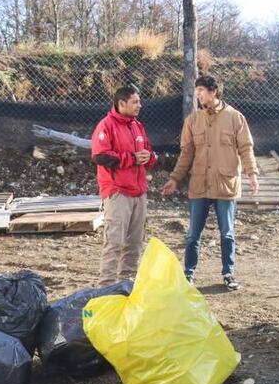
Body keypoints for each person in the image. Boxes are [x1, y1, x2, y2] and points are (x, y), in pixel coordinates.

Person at [162, 75, 259, 290]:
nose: (197, 94)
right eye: (196, 90)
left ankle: (228, 273)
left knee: (227, 233)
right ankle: (188, 274)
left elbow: (246, 148)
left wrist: (252, 174)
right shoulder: (193, 121)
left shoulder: (235, 118)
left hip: (226, 185)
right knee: (193, 234)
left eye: (201, 90)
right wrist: (174, 179)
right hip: (199, 185)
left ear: (213, 91)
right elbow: (186, 153)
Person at [90, 84, 157, 286]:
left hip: (139, 192)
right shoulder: (106, 125)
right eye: (135, 102)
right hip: (117, 192)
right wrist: (132, 158)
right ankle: (107, 286)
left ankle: (127, 283)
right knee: (114, 242)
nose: (139, 105)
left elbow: (148, 152)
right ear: (121, 103)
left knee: (135, 242)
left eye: (139, 101)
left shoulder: (137, 125)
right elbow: (100, 156)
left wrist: (149, 157)